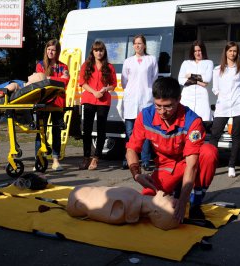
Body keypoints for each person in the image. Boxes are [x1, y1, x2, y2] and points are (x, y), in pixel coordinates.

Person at [126, 77, 218, 223]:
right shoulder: (145, 116)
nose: (162, 112)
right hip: (166, 166)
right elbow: (131, 148)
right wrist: (136, 174)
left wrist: (182, 202)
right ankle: (176, 189)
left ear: (179, 99)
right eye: (158, 106)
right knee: (147, 201)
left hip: (187, 162)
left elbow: (192, 164)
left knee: (208, 152)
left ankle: (195, 203)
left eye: (168, 106)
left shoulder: (192, 121)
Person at [209, 41, 240, 178]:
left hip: (239, 105)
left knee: (236, 136)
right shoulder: (217, 69)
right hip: (223, 105)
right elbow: (215, 88)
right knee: (215, 134)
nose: (232, 53)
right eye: (230, 50)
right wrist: (222, 96)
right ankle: (211, 164)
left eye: (235, 51)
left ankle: (232, 165)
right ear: (225, 52)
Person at [121, 34, 159, 171]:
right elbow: (124, 82)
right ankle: (129, 159)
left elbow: (154, 78)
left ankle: (145, 160)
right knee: (130, 132)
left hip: (146, 99)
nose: (138, 45)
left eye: (140, 43)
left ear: (145, 45)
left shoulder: (151, 60)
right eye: (135, 43)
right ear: (133, 46)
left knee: (146, 132)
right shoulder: (128, 61)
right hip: (131, 99)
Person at [78, 40, 117, 170]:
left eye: (101, 50)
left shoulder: (109, 67)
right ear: (92, 52)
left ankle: (96, 158)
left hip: (103, 101)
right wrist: (94, 92)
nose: (98, 52)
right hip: (89, 99)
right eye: (96, 50)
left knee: (101, 130)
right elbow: (82, 82)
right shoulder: (86, 65)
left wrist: (106, 89)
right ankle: (86, 158)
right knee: (87, 130)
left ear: (104, 52)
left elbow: (113, 85)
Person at [66, 186, 180, 230]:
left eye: (171, 205)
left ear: (157, 212)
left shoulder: (123, 208)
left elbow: (91, 207)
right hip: (78, 197)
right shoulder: (133, 199)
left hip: (76, 200)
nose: (171, 198)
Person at [34, 39, 70, 171]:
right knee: (40, 132)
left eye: (53, 50)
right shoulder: (40, 65)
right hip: (43, 102)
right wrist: (58, 79)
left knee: (56, 132)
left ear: (57, 51)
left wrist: (49, 79)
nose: (50, 52)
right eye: (48, 49)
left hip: (58, 103)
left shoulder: (63, 66)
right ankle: (38, 161)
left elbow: (65, 82)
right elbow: (40, 81)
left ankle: (55, 160)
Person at [178, 40, 213, 122]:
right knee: (185, 119)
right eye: (195, 51)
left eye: (199, 50)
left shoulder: (208, 63)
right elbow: (181, 80)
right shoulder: (186, 63)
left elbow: (207, 78)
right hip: (187, 96)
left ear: (203, 51)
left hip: (202, 97)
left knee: (202, 120)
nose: (197, 53)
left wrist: (191, 76)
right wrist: (198, 82)